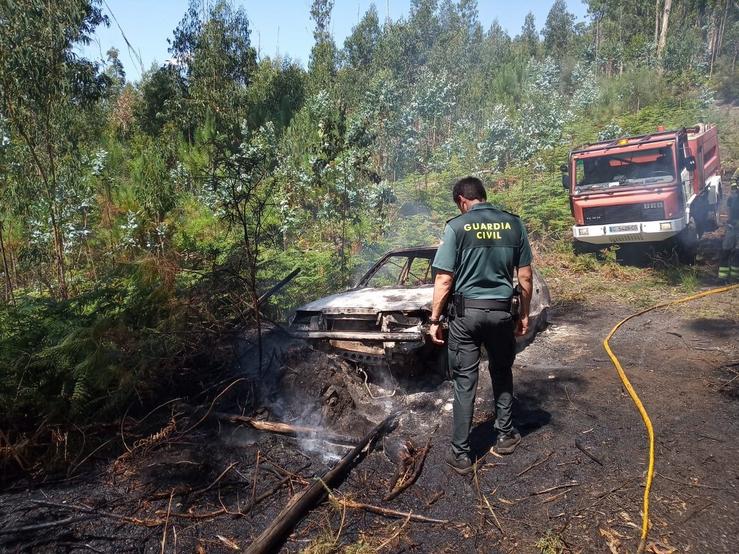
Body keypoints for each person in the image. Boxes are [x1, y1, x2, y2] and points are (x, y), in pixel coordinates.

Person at [428, 176, 533, 475]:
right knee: (501, 370)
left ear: (462, 200)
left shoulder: (457, 227)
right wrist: (523, 314)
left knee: (464, 380)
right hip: (501, 314)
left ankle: (461, 453)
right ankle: (505, 436)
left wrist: (434, 320)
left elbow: (444, 278)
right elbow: (525, 277)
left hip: (466, 317)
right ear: (482, 196)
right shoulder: (514, 224)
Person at [719, 180, 739, 281]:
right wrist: (729, 222)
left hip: (733, 227)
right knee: (726, 251)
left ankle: (734, 277)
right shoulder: (732, 198)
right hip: (732, 227)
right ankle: (723, 277)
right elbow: (728, 211)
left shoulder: (732, 197)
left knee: (736, 252)